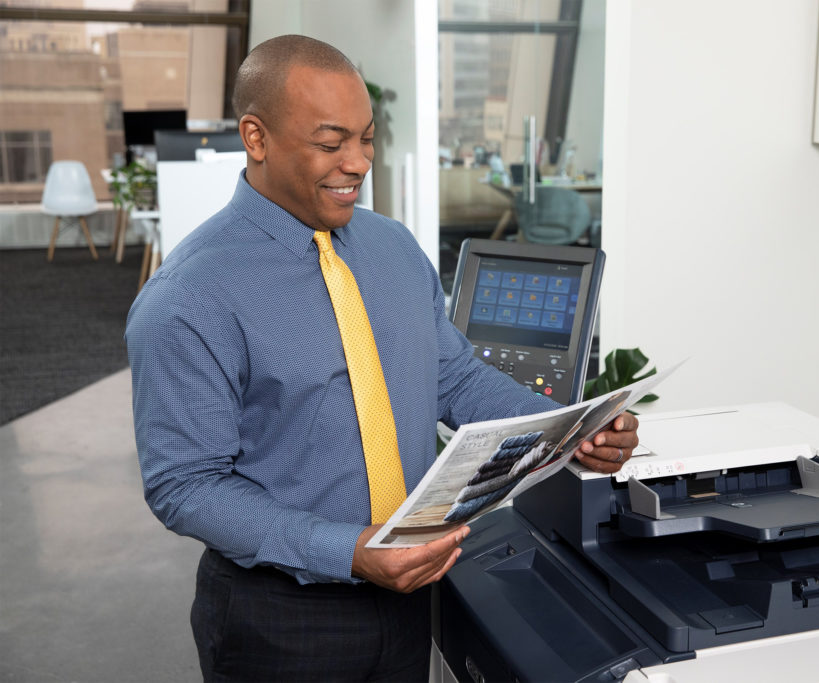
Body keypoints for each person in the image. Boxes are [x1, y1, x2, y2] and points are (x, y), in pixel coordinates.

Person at [125, 34, 639, 682]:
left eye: (367, 138)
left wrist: (569, 426)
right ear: (256, 138)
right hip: (281, 620)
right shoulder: (188, 298)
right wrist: (349, 550)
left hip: (411, 595)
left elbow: (452, 374)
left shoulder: (393, 248)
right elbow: (185, 485)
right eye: (331, 141)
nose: (358, 161)